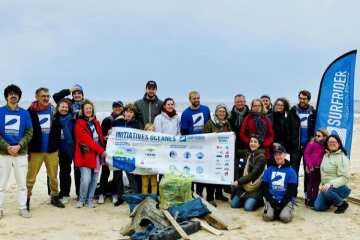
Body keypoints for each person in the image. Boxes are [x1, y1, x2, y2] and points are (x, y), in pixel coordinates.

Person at [27, 87, 64, 210]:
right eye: (43, 96)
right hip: (36, 151)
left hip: (51, 150)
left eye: (48, 96)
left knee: (53, 177)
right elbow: (26, 132)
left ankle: (54, 197)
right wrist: (27, 151)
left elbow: (58, 131)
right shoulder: (30, 112)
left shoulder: (54, 111)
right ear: (36, 97)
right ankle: (26, 199)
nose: (46, 98)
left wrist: (57, 146)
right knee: (30, 178)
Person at [0, 85, 33, 219]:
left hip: (20, 153)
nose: (13, 95)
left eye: (16, 94)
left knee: (22, 184)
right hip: (3, 154)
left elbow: (29, 132)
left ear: (19, 97)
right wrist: (7, 147)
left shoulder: (24, 113)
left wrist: (19, 146)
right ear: (6, 96)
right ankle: (0, 209)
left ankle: (22, 208)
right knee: (1, 184)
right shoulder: (0, 111)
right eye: (10, 93)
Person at [53, 84, 84, 199]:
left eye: (79, 93)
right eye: (74, 93)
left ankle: (80, 194)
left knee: (79, 171)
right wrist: (70, 90)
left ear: (82, 95)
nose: (76, 95)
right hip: (65, 143)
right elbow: (56, 96)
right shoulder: (68, 103)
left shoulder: (86, 105)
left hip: (78, 143)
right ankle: (65, 193)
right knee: (65, 171)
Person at [75, 99, 107, 208]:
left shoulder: (96, 123)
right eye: (86, 108)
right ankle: (81, 199)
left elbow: (99, 137)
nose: (88, 110)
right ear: (82, 111)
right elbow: (88, 140)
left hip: (97, 155)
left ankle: (90, 200)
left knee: (94, 178)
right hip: (86, 155)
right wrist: (101, 151)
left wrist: (106, 137)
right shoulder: (79, 124)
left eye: (90, 108)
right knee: (85, 178)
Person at [284, 90, 316, 198]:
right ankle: (293, 194)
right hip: (295, 148)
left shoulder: (314, 113)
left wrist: (314, 139)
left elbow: (317, 129)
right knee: (294, 172)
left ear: (309, 100)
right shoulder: (292, 112)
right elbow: (287, 130)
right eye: (300, 98)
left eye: (304, 99)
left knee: (309, 171)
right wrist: (289, 146)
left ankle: (307, 193)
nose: (302, 100)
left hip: (309, 148)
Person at [180, 91, 211, 196]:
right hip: (191, 147)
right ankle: (191, 192)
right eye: (194, 98)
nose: (196, 100)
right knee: (190, 171)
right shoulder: (185, 113)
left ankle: (199, 193)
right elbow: (184, 132)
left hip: (204, 146)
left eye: (198, 98)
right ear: (189, 99)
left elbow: (210, 125)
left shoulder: (206, 109)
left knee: (201, 170)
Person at [111, 103, 143, 206]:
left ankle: (134, 196)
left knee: (131, 176)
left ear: (133, 114)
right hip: (118, 153)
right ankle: (120, 197)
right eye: (127, 111)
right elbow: (112, 136)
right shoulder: (117, 122)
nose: (129, 114)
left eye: (131, 112)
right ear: (123, 112)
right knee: (118, 176)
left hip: (130, 154)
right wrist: (109, 133)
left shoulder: (137, 124)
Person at [202, 103, 232, 207]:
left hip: (223, 153)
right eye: (220, 111)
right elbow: (204, 135)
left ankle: (219, 194)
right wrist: (211, 136)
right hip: (212, 153)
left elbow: (230, 135)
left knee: (221, 173)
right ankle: (210, 197)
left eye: (223, 111)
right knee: (212, 175)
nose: (221, 113)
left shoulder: (227, 124)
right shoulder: (210, 123)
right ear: (216, 112)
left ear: (226, 113)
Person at [314, 135, 351, 214]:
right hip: (327, 188)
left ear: (339, 144)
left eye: (334, 142)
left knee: (327, 191)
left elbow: (345, 178)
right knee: (318, 207)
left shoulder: (343, 158)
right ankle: (333, 200)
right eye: (330, 142)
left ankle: (342, 204)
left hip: (342, 188)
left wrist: (330, 184)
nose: (331, 144)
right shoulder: (326, 155)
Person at [261, 145, 297, 223]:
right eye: (276, 155)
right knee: (267, 217)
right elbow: (264, 188)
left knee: (285, 218)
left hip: (285, 200)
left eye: (280, 154)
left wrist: (281, 205)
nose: (278, 157)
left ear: (285, 154)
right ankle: (273, 211)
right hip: (272, 199)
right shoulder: (269, 170)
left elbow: (291, 191)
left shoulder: (291, 172)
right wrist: (271, 200)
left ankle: (286, 210)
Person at [231, 134, 266, 211]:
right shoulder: (248, 153)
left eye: (255, 142)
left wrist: (238, 182)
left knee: (248, 208)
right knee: (234, 205)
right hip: (245, 186)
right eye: (251, 141)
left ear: (259, 144)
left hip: (255, 187)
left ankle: (259, 201)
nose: (252, 144)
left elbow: (252, 175)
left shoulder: (262, 157)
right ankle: (247, 199)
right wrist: (233, 141)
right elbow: (235, 152)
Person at [98, 101, 124, 204]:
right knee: (105, 172)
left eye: (119, 107)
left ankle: (114, 193)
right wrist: (106, 137)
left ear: (122, 108)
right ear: (112, 108)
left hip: (119, 152)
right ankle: (101, 193)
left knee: (117, 174)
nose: (117, 109)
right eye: (115, 107)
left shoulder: (124, 120)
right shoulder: (107, 120)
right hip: (107, 152)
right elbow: (101, 136)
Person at [240, 99, 274, 164]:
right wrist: (251, 144)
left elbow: (271, 135)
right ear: (252, 107)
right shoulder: (247, 118)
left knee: (262, 171)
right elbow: (242, 134)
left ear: (262, 107)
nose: (257, 107)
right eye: (255, 106)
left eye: (259, 106)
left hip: (263, 149)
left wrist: (264, 144)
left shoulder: (266, 119)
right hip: (249, 149)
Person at [57, 98, 76, 204]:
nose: (64, 109)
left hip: (67, 151)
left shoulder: (72, 121)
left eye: (66, 107)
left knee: (65, 172)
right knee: (55, 174)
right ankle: (58, 192)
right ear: (58, 108)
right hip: (55, 151)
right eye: (62, 107)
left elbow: (75, 137)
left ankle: (66, 194)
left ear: (69, 109)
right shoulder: (55, 120)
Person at [303, 128, 328, 209]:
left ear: (324, 137)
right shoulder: (312, 143)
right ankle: (309, 199)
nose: (316, 137)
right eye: (316, 135)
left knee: (316, 185)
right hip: (312, 168)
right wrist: (309, 165)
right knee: (310, 184)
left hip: (320, 168)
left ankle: (314, 200)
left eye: (319, 136)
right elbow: (306, 154)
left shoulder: (325, 145)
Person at [141, 124, 158, 194]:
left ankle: (153, 198)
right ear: (145, 131)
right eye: (149, 130)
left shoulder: (157, 142)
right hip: (144, 164)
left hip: (153, 164)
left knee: (153, 183)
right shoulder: (141, 141)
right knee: (145, 183)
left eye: (153, 130)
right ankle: (144, 198)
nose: (151, 131)